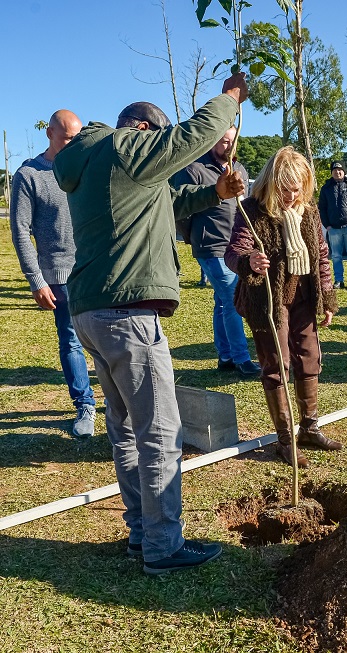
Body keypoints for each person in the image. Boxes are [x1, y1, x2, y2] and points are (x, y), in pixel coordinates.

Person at [53, 73, 250, 575]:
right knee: (161, 431)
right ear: (142, 129)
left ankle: (142, 531)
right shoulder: (126, 147)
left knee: (125, 428)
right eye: (158, 140)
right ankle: (163, 545)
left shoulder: (97, 160)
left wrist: (215, 194)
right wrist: (229, 99)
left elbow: (162, 206)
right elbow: (194, 135)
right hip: (128, 313)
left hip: (93, 312)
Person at [225, 146, 342, 468]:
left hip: (305, 297)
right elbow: (234, 252)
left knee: (310, 357)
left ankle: (309, 428)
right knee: (277, 364)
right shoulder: (251, 209)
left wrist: (327, 298)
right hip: (268, 301)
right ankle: (285, 441)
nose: (291, 196)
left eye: (297, 190)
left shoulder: (309, 210)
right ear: (271, 183)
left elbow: (321, 255)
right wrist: (248, 261)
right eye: (285, 189)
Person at [10, 109, 97, 439]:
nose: (73, 143)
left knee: (106, 336)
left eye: (77, 137)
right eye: (66, 138)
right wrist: (36, 279)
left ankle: (118, 401)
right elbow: (20, 231)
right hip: (59, 274)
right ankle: (84, 404)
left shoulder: (87, 168)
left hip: (95, 266)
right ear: (50, 133)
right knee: (72, 339)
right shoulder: (29, 175)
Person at [172, 127, 261, 377]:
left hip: (236, 247)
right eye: (224, 141)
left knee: (223, 302)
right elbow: (180, 210)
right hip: (211, 247)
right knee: (233, 299)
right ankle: (242, 358)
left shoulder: (240, 169)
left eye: (233, 142)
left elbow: (246, 206)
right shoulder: (193, 169)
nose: (229, 146)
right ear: (212, 141)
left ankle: (225, 356)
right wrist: (194, 239)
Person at [318, 161, 347, 290]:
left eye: (340, 170)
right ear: (331, 172)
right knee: (336, 256)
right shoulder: (326, 188)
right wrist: (327, 225)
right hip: (333, 229)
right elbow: (322, 208)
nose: (337, 172)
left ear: (344, 171)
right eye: (334, 170)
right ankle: (339, 280)